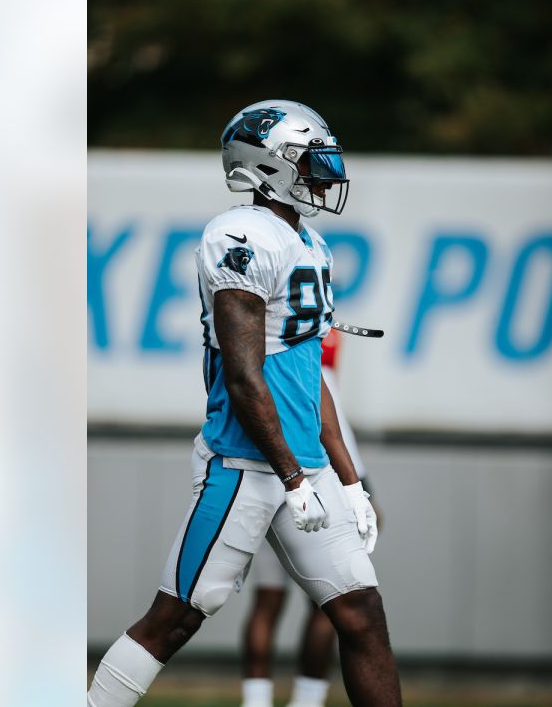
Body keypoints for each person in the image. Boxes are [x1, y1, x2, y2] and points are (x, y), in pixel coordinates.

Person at [87, 100, 400, 707]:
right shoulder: (239, 236)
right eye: (309, 161)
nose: (323, 174)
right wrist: (289, 475)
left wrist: (346, 479)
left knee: (362, 613)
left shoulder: (310, 243)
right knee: (175, 618)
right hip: (243, 465)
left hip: (301, 467)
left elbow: (311, 378)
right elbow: (243, 375)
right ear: (267, 165)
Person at [240, 328, 378, 707]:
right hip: (316, 494)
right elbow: (339, 442)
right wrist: (365, 495)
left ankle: (255, 700)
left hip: (268, 487)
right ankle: (306, 699)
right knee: (332, 603)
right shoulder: (314, 370)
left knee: (266, 603)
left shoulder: (262, 359)